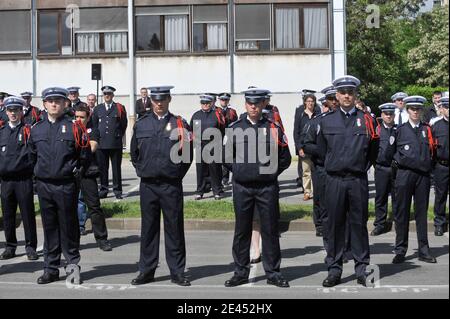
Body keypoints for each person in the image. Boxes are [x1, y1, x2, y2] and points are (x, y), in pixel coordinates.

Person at [223, 88, 291, 288]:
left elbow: (285, 157)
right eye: (250, 103)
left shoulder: (273, 128)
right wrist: (240, 170)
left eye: (257, 103)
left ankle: (273, 272)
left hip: (267, 187)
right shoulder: (234, 127)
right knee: (242, 230)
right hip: (242, 187)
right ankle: (240, 272)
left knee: (270, 230)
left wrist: (269, 173)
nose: (253, 106)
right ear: (245, 105)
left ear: (263, 105)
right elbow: (225, 156)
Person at [317, 76, 379, 288]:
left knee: (359, 225)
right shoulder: (326, 120)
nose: (346, 96)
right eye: (342, 92)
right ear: (336, 95)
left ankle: (361, 268)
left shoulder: (368, 120)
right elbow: (321, 150)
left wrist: (360, 167)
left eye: (350, 92)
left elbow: (373, 151)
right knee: (334, 226)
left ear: (355, 95)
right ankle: (334, 269)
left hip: (357, 180)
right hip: (334, 180)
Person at [130, 85, 193, 287]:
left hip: (170, 185)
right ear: (151, 101)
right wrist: (142, 169)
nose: (159, 103)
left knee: (174, 229)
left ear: (169, 100)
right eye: (156, 100)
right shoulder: (141, 124)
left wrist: (176, 174)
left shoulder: (179, 124)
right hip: (148, 185)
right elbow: (134, 153)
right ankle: (146, 271)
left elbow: (188, 154)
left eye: (162, 99)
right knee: (148, 229)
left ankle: (177, 271)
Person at [29, 87, 90, 284]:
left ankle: (72, 267)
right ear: (44, 104)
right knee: (49, 229)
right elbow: (31, 157)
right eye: (50, 100)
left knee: (69, 228)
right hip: (45, 185)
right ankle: (50, 268)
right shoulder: (36, 128)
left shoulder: (75, 127)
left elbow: (84, 156)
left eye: (58, 100)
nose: (54, 104)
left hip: (66, 185)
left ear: (65, 104)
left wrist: (75, 175)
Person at [389, 96, 437, 264]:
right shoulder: (400, 130)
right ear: (407, 110)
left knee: (421, 214)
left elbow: (433, 152)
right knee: (402, 213)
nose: (415, 112)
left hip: (422, 176)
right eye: (412, 109)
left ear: (421, 110)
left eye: (418, 109)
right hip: (405, 175)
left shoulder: (427, 129)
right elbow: (392, 153)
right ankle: (400, 250)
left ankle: (423, 250)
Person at [0, 96, 38, 261]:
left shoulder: (28, 131)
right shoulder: (1, 132)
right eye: (10, 110)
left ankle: (31, 247)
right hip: (6, 181)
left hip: (23, 180)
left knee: (27, 215)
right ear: (6, 112)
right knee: (8, 215)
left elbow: (33, 155)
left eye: (16, 110)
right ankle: (10, 246)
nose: (13, 113)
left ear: (21, 112)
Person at [74, 104, 112, 251]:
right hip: (71, 173)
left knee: (94, 207)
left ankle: (102, 239)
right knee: (69, 208)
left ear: (88, 117)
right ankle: (73, 240)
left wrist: (76, 146)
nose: (78, 120)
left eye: (82, 117)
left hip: (87, 173)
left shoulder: (92, 130)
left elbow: (92, 146)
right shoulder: (69, 129)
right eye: (76, 116)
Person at [91, 86, 128, 199]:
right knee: (103, 168)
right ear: (103, 95)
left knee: (116, 168)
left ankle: (117, 190)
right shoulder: (98, 109)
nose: (107, 96)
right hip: (102, 143)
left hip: (115, 142)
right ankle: (104, 189)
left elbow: (123, 124)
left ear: (112, 95)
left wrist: (118, 135)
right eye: (105, 94)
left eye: (109, 94)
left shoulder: (119, 108)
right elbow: (95, 125)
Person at [190, 94, 225, 200]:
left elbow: (222, 129)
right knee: (200, 169)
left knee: (215, 169)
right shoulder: (196, 115)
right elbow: (191, 130)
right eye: (203, 103)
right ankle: (199, 191)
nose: (205, 105)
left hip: (213, 145)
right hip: (200, 145)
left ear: (211, 104)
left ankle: (217, 191)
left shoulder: (217, 114)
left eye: (207, 103)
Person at [371, 103, 397, 236]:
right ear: (382, 115)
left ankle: (398, 222)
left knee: (397, 197)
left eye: (391, 114)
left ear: (394, 115)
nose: (388, 116)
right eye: (386, 114)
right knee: (381, 197)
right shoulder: (377, 130)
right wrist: (376, 164)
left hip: (395, 170)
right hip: (381, 168)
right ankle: (380, 224)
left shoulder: (399, 130)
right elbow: (372, 150)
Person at [296, 93, 320, 201]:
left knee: (316, 170)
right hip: (304, 147)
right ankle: (307, 192)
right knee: (306, 171)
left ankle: (317, 192)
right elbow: (296, 132)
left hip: (315, 147)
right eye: (308, 101)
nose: (310, 103)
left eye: (312, 101)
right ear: (305, 102)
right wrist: (299, 148)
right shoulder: (301, 115)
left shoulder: (318, 114)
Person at [431, 96, 449, 236]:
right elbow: (431, 149)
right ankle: (439, 223)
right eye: (447, 107)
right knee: (440, 196)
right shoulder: (436, 126)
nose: (449, 110)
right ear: (442, 109)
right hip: (441, 166)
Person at [218, 93, 238, 186]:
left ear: (228, 101)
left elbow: (236, 125)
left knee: (228, 158)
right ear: (219, 100)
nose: (224, 101)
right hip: (218, 137)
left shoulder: (232, 111)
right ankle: (218, 179)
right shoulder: (216, 111)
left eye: (226, 100)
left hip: (229, 137)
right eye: (222, 100)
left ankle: (225, 179)